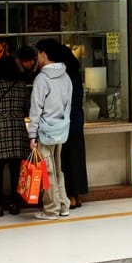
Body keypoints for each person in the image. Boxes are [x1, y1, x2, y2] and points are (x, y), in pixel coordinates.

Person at [38, 37, 88, 207]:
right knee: (76, 158)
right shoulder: (76, 75)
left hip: (63, 122)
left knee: (64, 161)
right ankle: (77, 195)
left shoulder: (63, 76)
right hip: (77, 120)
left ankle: (69, 197)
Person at [0, 55, 32, 216]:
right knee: (16, 170)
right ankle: (15, 204)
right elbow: (28, 109)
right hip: (17, 130)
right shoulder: (21, 86)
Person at [28, 40, 73, 220]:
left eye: (38, 53)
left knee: (48, 171)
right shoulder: (66, 77)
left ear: (44, 54)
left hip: (45, 131)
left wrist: (32, 134)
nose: (37, 57)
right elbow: (68, 104)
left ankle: (51, 209)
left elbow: (36, 109)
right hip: (60, 130)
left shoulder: (42, 79)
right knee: (57, 168)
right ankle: (63, 205)